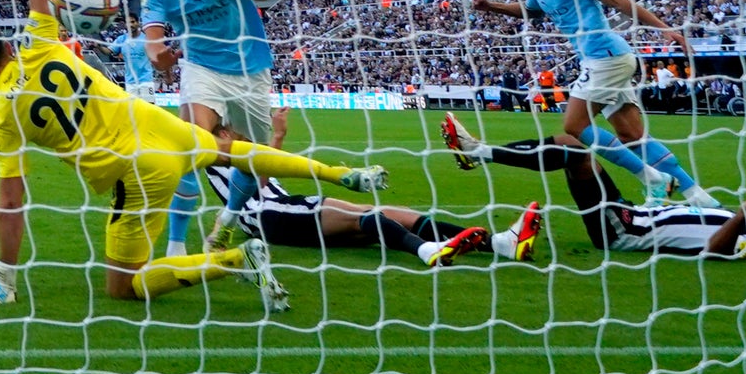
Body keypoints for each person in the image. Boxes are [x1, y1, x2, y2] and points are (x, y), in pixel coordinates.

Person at [0, 0, 389, 312]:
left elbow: (11, 202)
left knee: (123, 288)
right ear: (10, 46)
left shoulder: (3, 120)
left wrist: (4, 280)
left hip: (136, 170)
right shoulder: (41, 42)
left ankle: (235, 258)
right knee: (234, 149)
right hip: (162, 127)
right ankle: (339, 173)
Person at [471, 0, 716, 208]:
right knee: (632, 135)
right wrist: (492, 6)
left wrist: (663, 28)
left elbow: (615, 0)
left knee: (574, 125)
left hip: (606, 56)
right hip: (599, 59)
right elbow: (533, 11)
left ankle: (653, 178)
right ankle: (698, 197)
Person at [441, 113, 746, 257]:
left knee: (574, 150)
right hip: (630, 210)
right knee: (571, 145)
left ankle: (478, 152)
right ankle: (478, 152)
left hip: (621, 230)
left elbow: (715, 250)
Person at [206, 109, 541, 265]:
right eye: (235, 127)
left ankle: (500, 245)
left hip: (282, 212)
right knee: (363, 218)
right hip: (274, 215)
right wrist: (277, 136)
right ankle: (427, 251)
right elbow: (256, 180)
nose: (243, 130)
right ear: (223, 133)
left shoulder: (232, 152)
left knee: (393, 216)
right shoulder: (218, 155)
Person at [140, 0, 285, 255]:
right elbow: (153, 44)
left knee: (254, 157)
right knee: (191, 142)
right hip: (201, 67)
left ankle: (228, 220)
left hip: (251, 67)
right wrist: (161, 58)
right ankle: (176, 247)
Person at [96, 14, 155, 104]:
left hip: (146, 80)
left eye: (133, 22)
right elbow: (108, 51)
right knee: (132, 110)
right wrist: (99, 46)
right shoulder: (121, 39)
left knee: (150, 108)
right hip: (130, 82)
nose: (130, 25)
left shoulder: (146, 39)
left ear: (138, 23)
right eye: (128, 22)